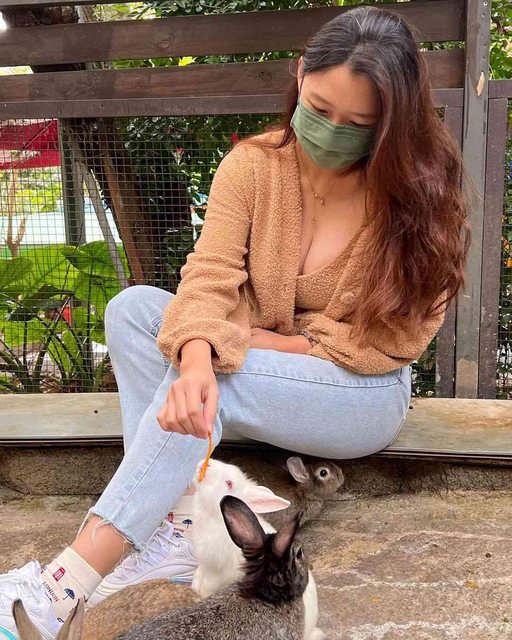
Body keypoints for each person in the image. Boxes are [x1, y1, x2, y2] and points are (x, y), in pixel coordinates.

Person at [0, 5, 469, 638]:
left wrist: (253, 343)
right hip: (259, 366)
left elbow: (392, 342)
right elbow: (209, 275)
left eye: (358, 124)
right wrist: (199, 355)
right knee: (133, 311)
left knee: (220, 377)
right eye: (319, 108)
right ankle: (174, 528)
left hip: (360, 392)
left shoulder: (420, 195)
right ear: (299, 75)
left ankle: (63, 587)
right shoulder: (254, 166)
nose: (331, 132)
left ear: (392, 124)